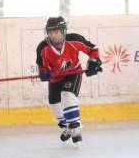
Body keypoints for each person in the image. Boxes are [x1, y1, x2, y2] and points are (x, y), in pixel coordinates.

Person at [35, 16, 102, 144]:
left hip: (73, 73)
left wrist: (94, 62)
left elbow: (93, 49)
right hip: (55, 78)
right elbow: (42, 65)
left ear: (63, 31)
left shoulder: (75, 40)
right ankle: (67, 126)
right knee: (54, 105)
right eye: (50, 32)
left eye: (56, 32)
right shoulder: (42, 48)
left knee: (67, 96)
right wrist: (44, 72)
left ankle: (75, 130)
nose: (53, 35)